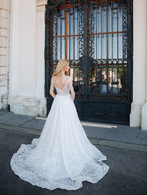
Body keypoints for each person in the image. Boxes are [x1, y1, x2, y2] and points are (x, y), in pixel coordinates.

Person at [10, 59, 109, 191]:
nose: (69, 66)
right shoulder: (68, 79)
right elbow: (73, 93)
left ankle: (55, 144)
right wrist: (69, 102)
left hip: (58, 103)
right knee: (69, 126)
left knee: (55, 125)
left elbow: (51, 92)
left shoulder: (53, 78)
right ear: (63, 67)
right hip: (66, 103)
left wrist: (58, 98)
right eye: (68, 65)